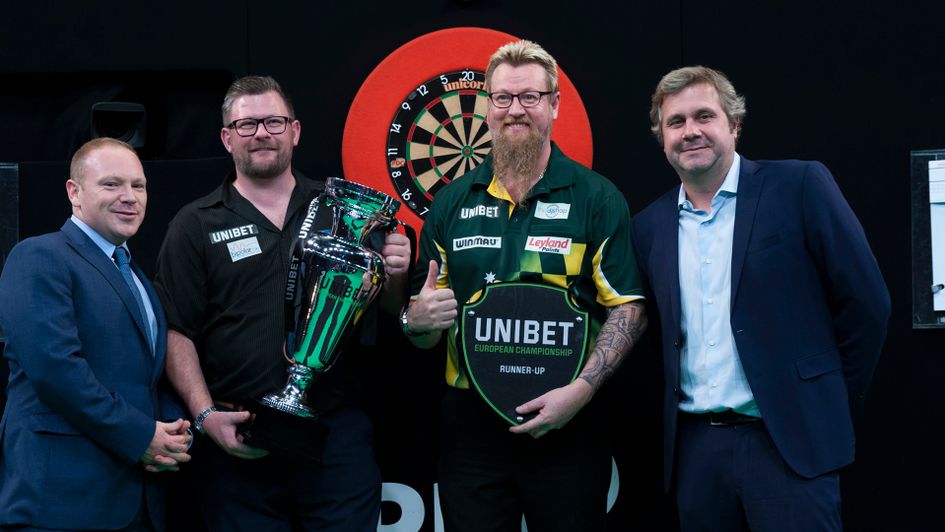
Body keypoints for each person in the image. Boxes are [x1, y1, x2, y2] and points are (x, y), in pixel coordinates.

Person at [631, 66, 891, 531]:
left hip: (790, 446)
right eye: (676, 122)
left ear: (734, 124)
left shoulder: (799, 186)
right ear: (661, 136)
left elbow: (868, 305)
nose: (691, 131)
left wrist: (823, 399)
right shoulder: (648, 227)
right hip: (697, 454)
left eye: (704, 116)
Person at [402, 40, 647, 532]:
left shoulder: (595, 198)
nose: (516, 110)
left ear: (554, 105)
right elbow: (423, 324)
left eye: (530, 97)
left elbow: (628, 309)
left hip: (569, 422)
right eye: (503, 98)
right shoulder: (451, 204)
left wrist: (580, 392)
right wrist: (415, 322)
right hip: (471, 428)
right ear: (487, 107)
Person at [153, 75, 410, 532]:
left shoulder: (342, 210)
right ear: (226, 137)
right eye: (247, 124)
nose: (262, 134)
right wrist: (206, 416)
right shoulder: (195, 223)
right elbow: (176, 331)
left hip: (334, 435)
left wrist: (398, 273)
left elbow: (389, 310)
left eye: (273, 121)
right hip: (237, 435)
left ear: (295, 131)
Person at [0, 137, 192, 532]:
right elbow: (56, 370)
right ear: (75, 192)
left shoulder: (138, 278)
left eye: (138, 186)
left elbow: (142, 379)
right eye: (111, 184)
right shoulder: (39, 256)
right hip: (61, 502)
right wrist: (142, 436)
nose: (129, 197)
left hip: (137, 500)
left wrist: (178, 428)